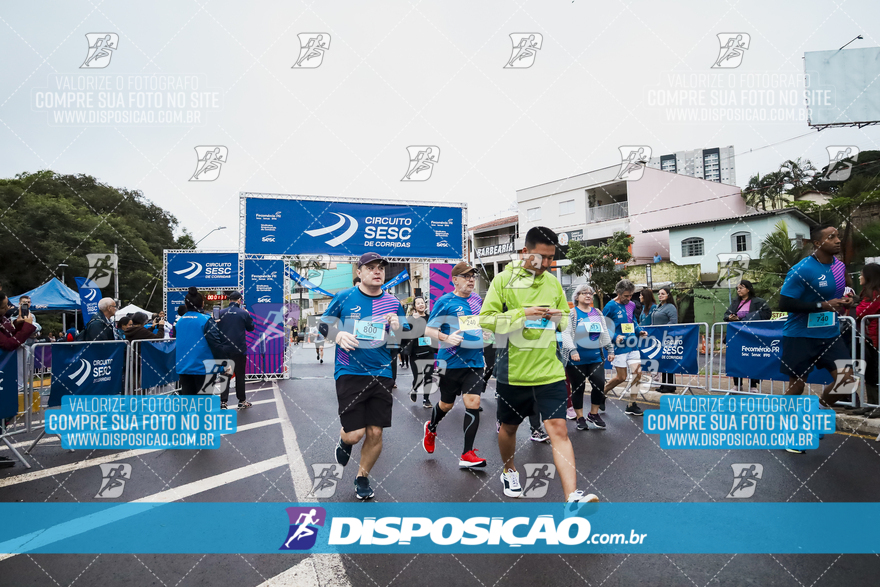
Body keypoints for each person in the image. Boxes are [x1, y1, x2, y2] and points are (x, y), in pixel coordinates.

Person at [480, 226, 598, 507]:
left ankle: (572, 498)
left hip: (549, 370)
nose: (547, 264)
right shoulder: (503, 280)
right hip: (514, 372)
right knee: (508, 429)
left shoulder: (553, 282)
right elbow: (486, 319)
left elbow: (564, 319)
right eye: (541, 257)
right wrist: (523, 313)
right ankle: (509, 470)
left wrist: (558, 316)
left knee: (559, 429)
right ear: (525, 252)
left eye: (551, 258)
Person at [320, 253, 409, 500]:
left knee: (376, 432)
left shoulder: (393, 303)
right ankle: (344, 442)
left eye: (380, 267)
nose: (377, 271)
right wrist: (337, 335)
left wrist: (397, 326)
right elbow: (323, 325)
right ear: (359, 272)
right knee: (355, 433)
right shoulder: (345, 297)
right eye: (370, 267)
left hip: (381, 373)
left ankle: (362, 477)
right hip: (350, 371)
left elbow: (400, 339)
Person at [778, 225, 855, 454]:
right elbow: (785, 304)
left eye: (838, 236)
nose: (838, 240)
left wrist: (850, 299)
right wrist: (822, 305)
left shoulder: (840, 266)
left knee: (847, 382)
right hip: (800, 335)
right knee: (798, 386)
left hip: (830, 334)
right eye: (831, 237)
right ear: (817, 243)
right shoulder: (801, 270)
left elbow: (847, 290)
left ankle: (818, 413)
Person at [423, 262, 488, 468]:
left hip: (475, 361)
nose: (471, 279)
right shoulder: (445, 301)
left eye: (473, 276)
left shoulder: (478, 300)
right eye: (466, 276)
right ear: (455, 280)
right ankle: (431, 427)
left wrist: (487, 333)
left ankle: (467, 453)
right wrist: (446, 337)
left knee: (473, 402)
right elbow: (429, 330)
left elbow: (481, 324)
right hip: (450, 362)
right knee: (446, 404)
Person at [561, 284, 612, 431]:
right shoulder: (572, 313)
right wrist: (572, 351)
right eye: (584, 293)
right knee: (578, 388)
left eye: (590, 293)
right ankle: (580, 417)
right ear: (577, 297)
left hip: (595, 356)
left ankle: (594, 414)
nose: (589, 295)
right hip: (576, 359)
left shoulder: (597, 313)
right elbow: (566, 334)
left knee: (599, 383)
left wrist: (610, 349)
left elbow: (604, 333)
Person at [175, 287, 236, 396]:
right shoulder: (206, 320)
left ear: (186, 305)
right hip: (203, 368)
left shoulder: (180, 321)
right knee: (203, 403)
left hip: (183, 367)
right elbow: (215, 344)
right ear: (202, 304)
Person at [603, 279, 649, 416]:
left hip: (632, 344)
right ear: (618, 293)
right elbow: (603, 326)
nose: (629, 299)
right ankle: (601, 393)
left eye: (631, 296)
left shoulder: (631, 305)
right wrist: (615, 336)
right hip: (619, 347)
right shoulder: (610, 306)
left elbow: (632, 321)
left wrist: (639, 330)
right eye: (626, 296)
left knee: (637, 374)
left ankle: (631, 404)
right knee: (621, 377)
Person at [723, 280, 771, 393]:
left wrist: (744, 318)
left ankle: (753, 385)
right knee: (736, 359)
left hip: (752, 336)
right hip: (737, 336)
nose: (739, 290)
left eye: (741, 288)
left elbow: (767, 314)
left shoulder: (759, 301)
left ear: (748, 289)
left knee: (752, 358)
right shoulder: (735, 302)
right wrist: (730, 318)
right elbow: (725, 315)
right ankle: (737, 384)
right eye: (737, 288)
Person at [218, 292, 255, 410]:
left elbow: (215, 328)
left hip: (224, 349)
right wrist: (248, 315)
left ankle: (223, 402)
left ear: (230, 300)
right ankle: (241, 400)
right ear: (239, 300)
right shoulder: (244, 313)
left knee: (225, 375)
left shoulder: (221, 313)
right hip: (239, 349)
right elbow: (251, 328)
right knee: (240, 375)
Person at [856, 263, 880, 415]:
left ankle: (876, 405)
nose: (859, 277)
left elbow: (862, 312)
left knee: (874, 373)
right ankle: (871, 404)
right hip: (868, 338)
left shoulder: (876, 294)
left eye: (862, 274)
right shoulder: (867, 292)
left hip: (874, 339)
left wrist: (852, 305)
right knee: (869, 373)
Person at [404, 296, 434, 409]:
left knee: (428, 376)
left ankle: (426, 399)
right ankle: (414, 389)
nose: (421, 305)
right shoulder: (411, 319)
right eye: (418, 303)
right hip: (415, 353)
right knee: (418, 377)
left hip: (428, 351)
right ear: (414, 306)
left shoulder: (430, 318)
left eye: (422, 303)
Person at [653, 287, 679, 393]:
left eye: (663, 294)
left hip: (667, 337)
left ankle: (670, 385)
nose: (660, 296)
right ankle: (664, 384)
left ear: (668, 295)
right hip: (658, 337)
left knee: (668, 360)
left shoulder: (670, 307)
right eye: (659, 294)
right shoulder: (658, 307)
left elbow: (673, 321)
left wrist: (662, 329)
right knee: (662, 361)